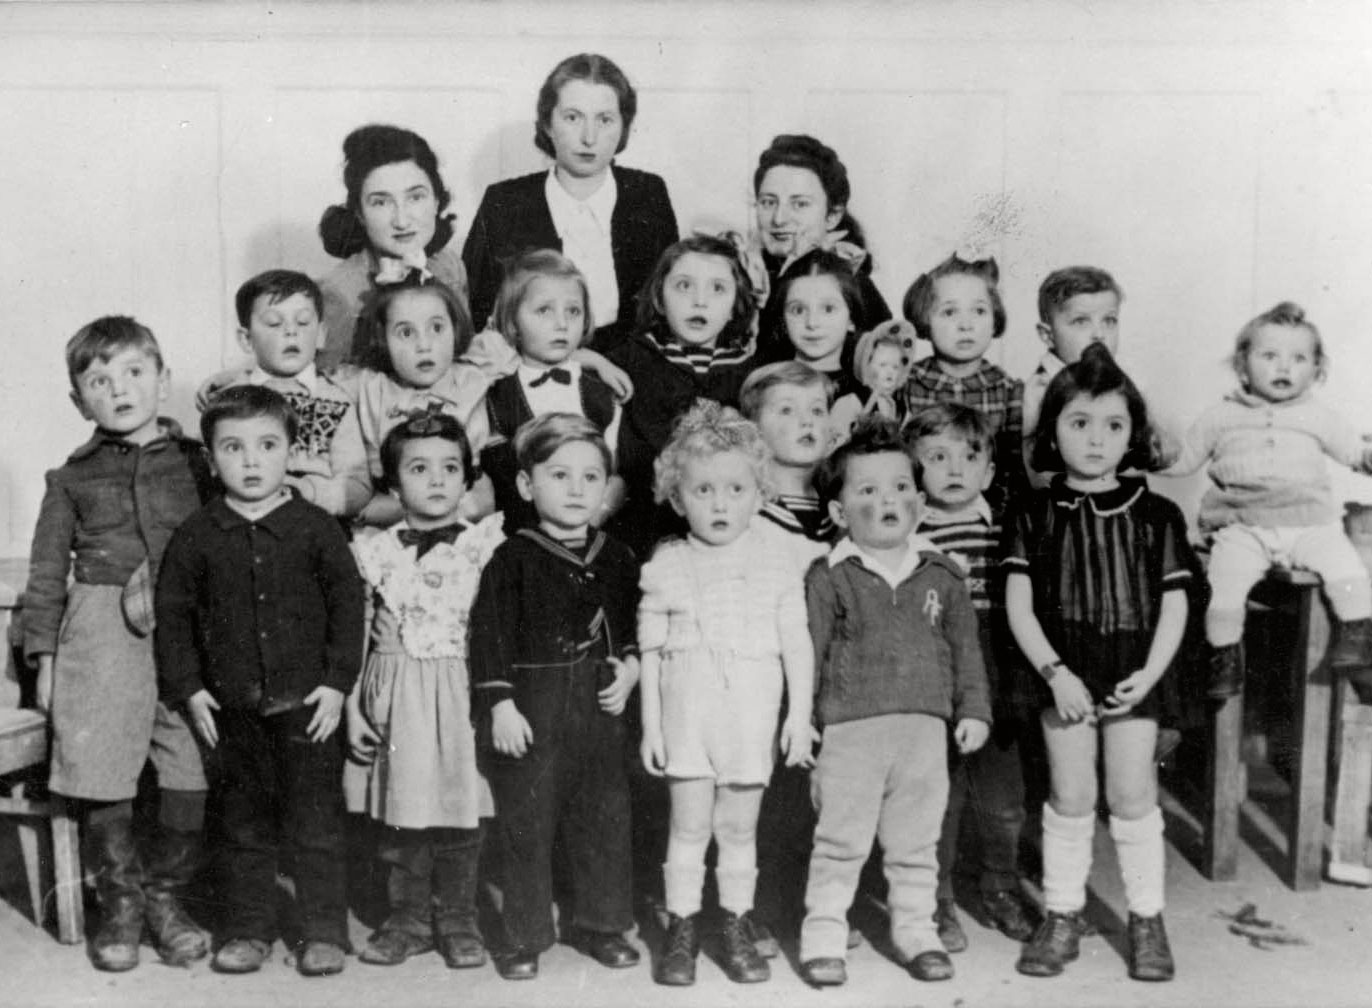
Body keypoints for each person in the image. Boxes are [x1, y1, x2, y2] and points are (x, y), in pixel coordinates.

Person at [24, 317, 213, 972]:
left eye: (135, 371)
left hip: (187, 623)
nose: (120, 389)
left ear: (163, 380)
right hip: (102, 628)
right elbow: (46, 576)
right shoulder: (69, 479)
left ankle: (167, 898)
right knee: (103, 763)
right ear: (80, 403)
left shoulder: (201, 462)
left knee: (190, 762)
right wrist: (45, 661)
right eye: (99, 380)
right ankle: (124, 905)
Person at [156, 385, 365, 977]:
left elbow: (349, 607)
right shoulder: (196, 535)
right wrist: (190, 687)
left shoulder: (317, 527)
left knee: (316, 823)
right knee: (242, 825)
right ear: (211, 456)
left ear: (290, 451)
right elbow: (173, 615)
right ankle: (249, 929)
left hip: (309, 707)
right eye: (233, 447)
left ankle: (324, 931)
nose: (251, 461)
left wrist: (337, 683)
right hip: (231, 710)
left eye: (267, 445)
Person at [1004, 343, 1194, 983]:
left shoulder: (1157, 515)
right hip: (1063, 670)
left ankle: (1146, 919)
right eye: (1078, 423)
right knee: (1072, 792)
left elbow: (1174, 605)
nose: (1096, 439)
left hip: (1137, 664)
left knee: (1132, 792)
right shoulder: (1031, 513)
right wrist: (1055, 674)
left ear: (1132, 434)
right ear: (1053, 431)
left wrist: (1153, 672)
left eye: (1114, 426)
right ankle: (1062, 915)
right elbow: (1019, 607)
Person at [798, 417, 990, 988]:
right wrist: (804, 724)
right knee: (840, 840)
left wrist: (974, 709)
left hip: (924, 732)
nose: (889, 500)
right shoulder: (828, 576)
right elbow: (810, 651)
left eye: (902, 487)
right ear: (837, 513)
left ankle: (916, 930)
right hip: (850, 732)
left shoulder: (944, 574)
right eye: (868, 490)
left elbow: (966, 650)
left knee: (916, 840)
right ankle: (824, 933)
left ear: (921, 503)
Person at [638, 401, 814, 987]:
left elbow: (797, 645)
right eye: (703, 489)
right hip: (689, 713)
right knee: (688, 828)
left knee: (738, 829)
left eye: (735, 489)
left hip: (751, 711)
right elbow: (652, 654)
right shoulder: (666, 565)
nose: (719, 503)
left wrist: (800, 716)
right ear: (676, 495)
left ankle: (735, 923)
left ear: (759, 493)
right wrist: (652, 728)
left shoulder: (775, 560)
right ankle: (682, 928)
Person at [470, 414, 642, 981]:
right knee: (528, 821)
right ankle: (524, 935)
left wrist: (632, 668)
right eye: (559, 475)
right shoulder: (512, 559)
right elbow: (490, 636)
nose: (575, 489)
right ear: (526, 486)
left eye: (590, 477)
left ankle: (601, 924)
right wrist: (501, 704)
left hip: (600, 707)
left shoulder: (616, 558)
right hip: (535, 707)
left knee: (604, 818)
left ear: (606, 488)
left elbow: (632, 627)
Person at [347, 412, 505, 968]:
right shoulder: (372, 549)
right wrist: (353, 706)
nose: (437, 480)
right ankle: (407, 919)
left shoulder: (488, 546)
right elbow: (352, 634)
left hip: (463, 689)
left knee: (464, 809)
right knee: (403, 811)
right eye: (419, 468)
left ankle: (458, 918)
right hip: (397, 693)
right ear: (393, 484)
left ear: (468, 479)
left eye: (450, 468)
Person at [1162, 301, 1372, 699]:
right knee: (1224, 585)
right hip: (1244, 525)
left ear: (1317, 370)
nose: (1283, 367)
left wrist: (1368, 457)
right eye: (1269, 356)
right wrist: (1156, 454)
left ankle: (1357, 642)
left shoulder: (1319, 416)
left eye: (1298, 358)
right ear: (1242, 364)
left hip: (1311, 524)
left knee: (1348, 572)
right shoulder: (1221, 416)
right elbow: (1185, 459)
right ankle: (1224, 657)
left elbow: (1353, 453)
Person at [906, 403, 1037, 953]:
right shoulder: (908, 537)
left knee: (1003, 798)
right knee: (939, 797)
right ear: (914, 471)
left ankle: (999, 886)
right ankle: (933, 899)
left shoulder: (1007, 529)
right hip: (935, 678)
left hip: (997, 678)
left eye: (968, 457)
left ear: (988, 471)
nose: (954, 469)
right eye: (937, 457)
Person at [463, 53, 678, 352]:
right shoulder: (504, 203)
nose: (589, 137)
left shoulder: (647, 195)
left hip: (635, 378)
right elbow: (475, 318)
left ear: (623, 127)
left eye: (605, 119)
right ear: (548, 124)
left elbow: (669, 309)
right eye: (573, 117)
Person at [607, 234, 758, 556]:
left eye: (717, 289)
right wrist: (593, 361)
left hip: (723, 517)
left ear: (735, 306)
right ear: (660, 299)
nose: (699, 301)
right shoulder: (635, 356)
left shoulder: (748, 370)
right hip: (644, 516)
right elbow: (556, 358)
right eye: (684, 286)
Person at [200, 269, 370, 517]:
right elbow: (211, 471)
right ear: (246, 339)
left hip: (315, 523)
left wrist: (310, 492)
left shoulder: (337, 400)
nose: (291, 332)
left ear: (321, 334)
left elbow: (357, 485)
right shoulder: (230, 397)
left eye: (302, 322)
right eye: (274, 323)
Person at [480, 249, 624, 531]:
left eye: (573, 311)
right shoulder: (495, 395)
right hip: (519, 532)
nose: (561, 324)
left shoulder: (599, 394)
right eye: (544, 310)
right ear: (512, 322)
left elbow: (614, 475)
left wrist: (596, 516)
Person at [737, 134, 891, 365]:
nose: (779, 219)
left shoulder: (851, 284)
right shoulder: (739, 273)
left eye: (800, 204)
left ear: (832, 216)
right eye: (768, 202)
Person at [351, 275, 493, 526]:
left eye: (437, 328)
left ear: (455, 329)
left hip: (463, 499)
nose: (424, 345)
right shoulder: (372, 387)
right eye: (406, 333)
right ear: (383, 339)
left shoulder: (472, 379)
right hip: (393, 503)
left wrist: (586, 358)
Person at [902, 254, 1024, 514]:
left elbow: (1012, 471)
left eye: (979, 311)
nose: (966, 325)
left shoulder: (1008, 390)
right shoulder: (908, 382)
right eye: (949, 312)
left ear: (995, 320)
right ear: (925, 319)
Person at [1022, 265, 1123, 449]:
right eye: (1081, 321)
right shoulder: (1038, 394)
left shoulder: (1119, 383)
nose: (1099, 334)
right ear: (1047, 335)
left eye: (1109, 320)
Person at [774, 249, 866, 400]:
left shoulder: (865, 396)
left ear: (851, 319)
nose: (812, 323)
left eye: (828, 309)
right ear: (783, 319)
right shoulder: (766, 385)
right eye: (798, 310)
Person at [830, 321, 913, 439]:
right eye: (883, 365)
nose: (890, 372)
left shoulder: (901, 409)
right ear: (865, 366)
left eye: (895, 367)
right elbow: (834, 441)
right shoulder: (851, 402)